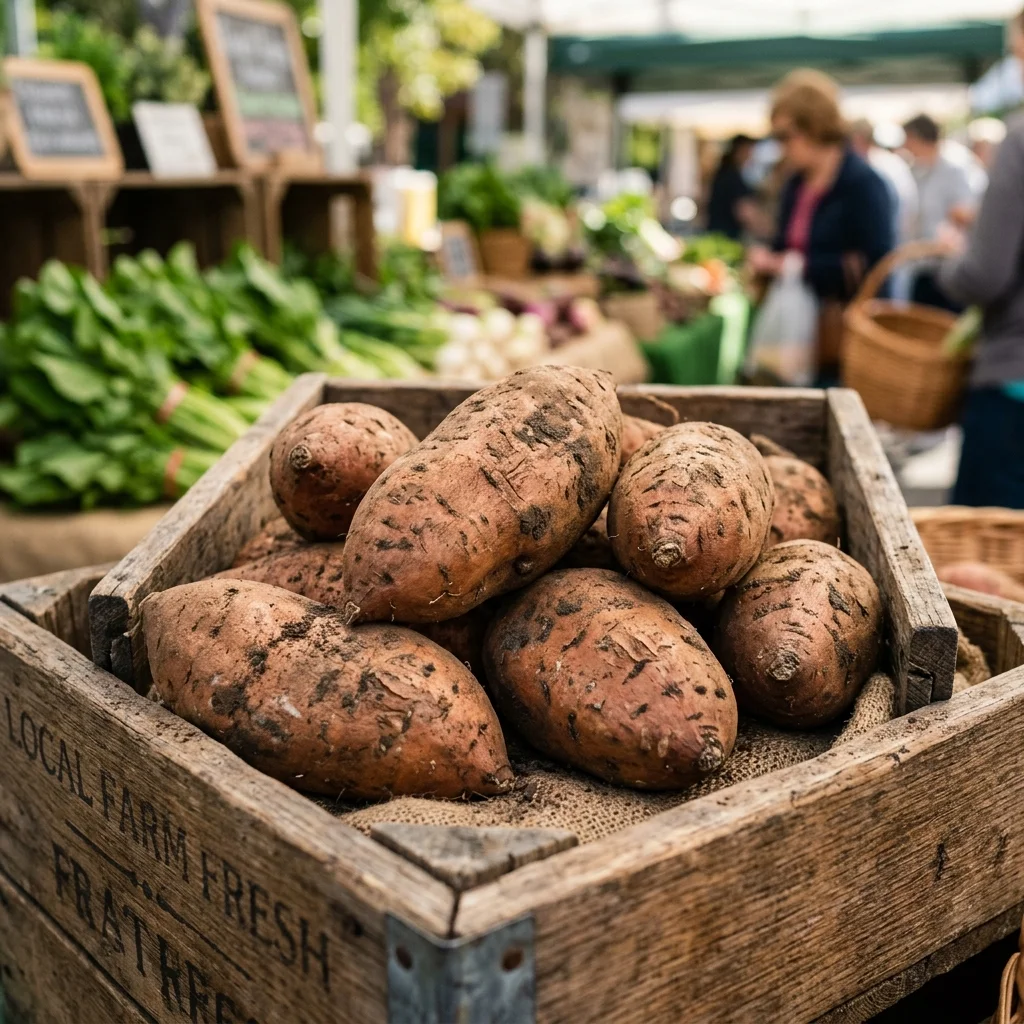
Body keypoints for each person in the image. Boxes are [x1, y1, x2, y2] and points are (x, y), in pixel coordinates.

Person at [748, 70, 894, 382]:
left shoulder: (863, 185)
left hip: (838, 343)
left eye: (786, 136)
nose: (782, 147)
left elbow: (877, 267)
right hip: (795, 335)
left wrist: (797, 266)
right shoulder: (794, 186)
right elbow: (783, 245)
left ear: (815, 127)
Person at [937, 11, 1024, 508]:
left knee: (990, 568)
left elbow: (984, 275)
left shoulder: (1018, 140)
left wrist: (950, 263)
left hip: (1014, 386)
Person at [902, 113, 977, 311]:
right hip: (921, 264)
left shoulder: (954, 170)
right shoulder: (915, 171)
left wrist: (956, 219)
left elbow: (967, 212)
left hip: (947, 265)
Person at [706, 134, 756, 239]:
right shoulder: (731, 176)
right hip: (725, 235)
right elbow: (744, 211)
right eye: (749, 150)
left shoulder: (724, 173)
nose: (751, 155)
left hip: (717, 232)